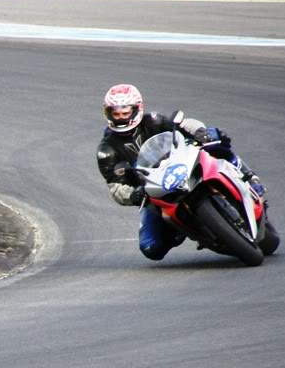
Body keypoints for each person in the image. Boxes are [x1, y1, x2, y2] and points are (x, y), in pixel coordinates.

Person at [96, 83, 265, 261]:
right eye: (115, 114)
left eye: (125, 113)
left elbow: (183, 124)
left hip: (181, 164)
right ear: (107, 114)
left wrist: (199, 131)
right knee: (151, 248)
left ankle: (248, 176)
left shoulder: (153, 121)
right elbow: (115, 186)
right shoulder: (107, 150)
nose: (121, 118)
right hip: (153, 192)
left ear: (137, 109)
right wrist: (133, 195)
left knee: (215, 136)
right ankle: (181, 228)